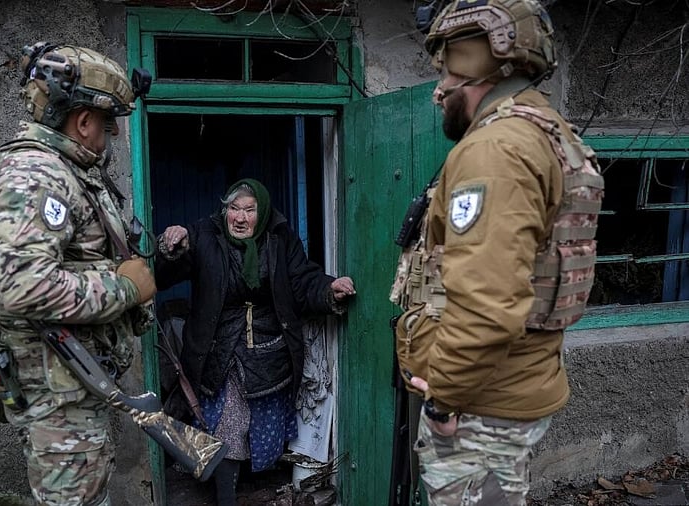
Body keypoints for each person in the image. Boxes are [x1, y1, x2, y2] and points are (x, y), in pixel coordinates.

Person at [390, 1, 604, 504]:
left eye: (447, 70)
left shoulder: (496, 148)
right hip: (511, 389)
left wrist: (444, 402)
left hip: (480, 406)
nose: (438, 89)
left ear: (481, 71)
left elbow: (487, 304)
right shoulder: (547, 132)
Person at [0, 42, 157, 506]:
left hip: (73, 376)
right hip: (57, 388)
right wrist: (125, 287)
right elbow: (24, 286)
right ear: (83, 122)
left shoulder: (64, 169)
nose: (108, 139)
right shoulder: (35, 175)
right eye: (107, 126)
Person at [155, 178, 356, 506]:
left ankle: (243, 483)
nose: (240, 217)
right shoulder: (205, 234)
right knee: (230, 423)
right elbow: (163, 276)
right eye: (233, 208)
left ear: (261, 214)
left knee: (255, 427)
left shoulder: (280, 238)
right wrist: (169, 247)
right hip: (218, 347)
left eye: (249, 210)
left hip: (268, 349)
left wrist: (328, 289)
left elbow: (302, 280)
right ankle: (226, 498)